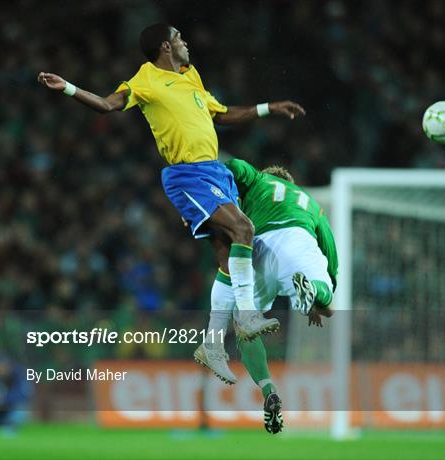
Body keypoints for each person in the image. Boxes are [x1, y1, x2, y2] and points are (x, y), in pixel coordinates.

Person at [37, 23, 305, 339]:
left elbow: (220, 114)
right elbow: (108, 104)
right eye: (179, 37)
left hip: (215, 170)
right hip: (188, 174)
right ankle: (247, 316)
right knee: (244, 229)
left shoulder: (191, 75)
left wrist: (268, 108)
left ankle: (215, 342)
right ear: (166, 46)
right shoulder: (145, 79)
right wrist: (68, 87)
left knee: (226, 249)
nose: (185, 41)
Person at [194, 158, 337, 434]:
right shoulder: (311, 203)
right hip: (297, 240)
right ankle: (310, 290)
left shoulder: (258, 181)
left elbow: (234, 165)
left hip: (256, 250)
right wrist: (322, 297)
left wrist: (211, 185)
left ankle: (267, 386)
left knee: (245, 327)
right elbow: (331, 258)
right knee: (329, 300)